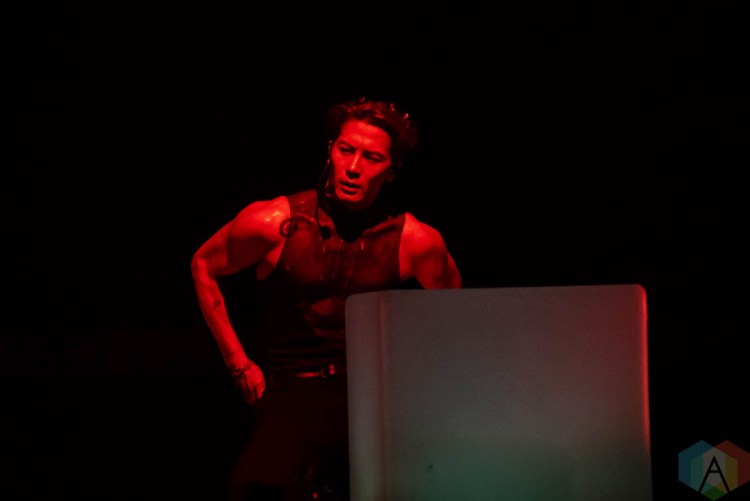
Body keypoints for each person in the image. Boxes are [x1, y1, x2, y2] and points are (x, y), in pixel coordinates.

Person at [190, 97, 462, 500]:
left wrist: (420, 386)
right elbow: (204, 265)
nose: (353, 167)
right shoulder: (274, 222)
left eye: (372, 158)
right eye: (346, 150)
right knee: (257, 488)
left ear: (392, 171)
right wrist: (238, 363)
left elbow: (455, 316)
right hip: (293, 393)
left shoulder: (415, 241)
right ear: (330, 150)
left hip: (374, 397)